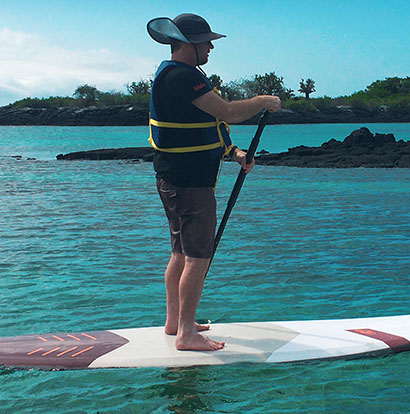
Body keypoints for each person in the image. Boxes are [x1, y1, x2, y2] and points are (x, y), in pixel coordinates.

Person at [147, 13, 281, 351]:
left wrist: (234, 153)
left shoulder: (178, 76)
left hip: (175, 179)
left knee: (180, 252)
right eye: (206, 41)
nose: (210, 47)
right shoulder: (182, 77)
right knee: (197, 256)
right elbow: (229, 112)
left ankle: (176, 321)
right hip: (189, 184)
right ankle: (187, 336)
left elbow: (207, 128)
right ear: (188, 44)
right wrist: (264, 101)